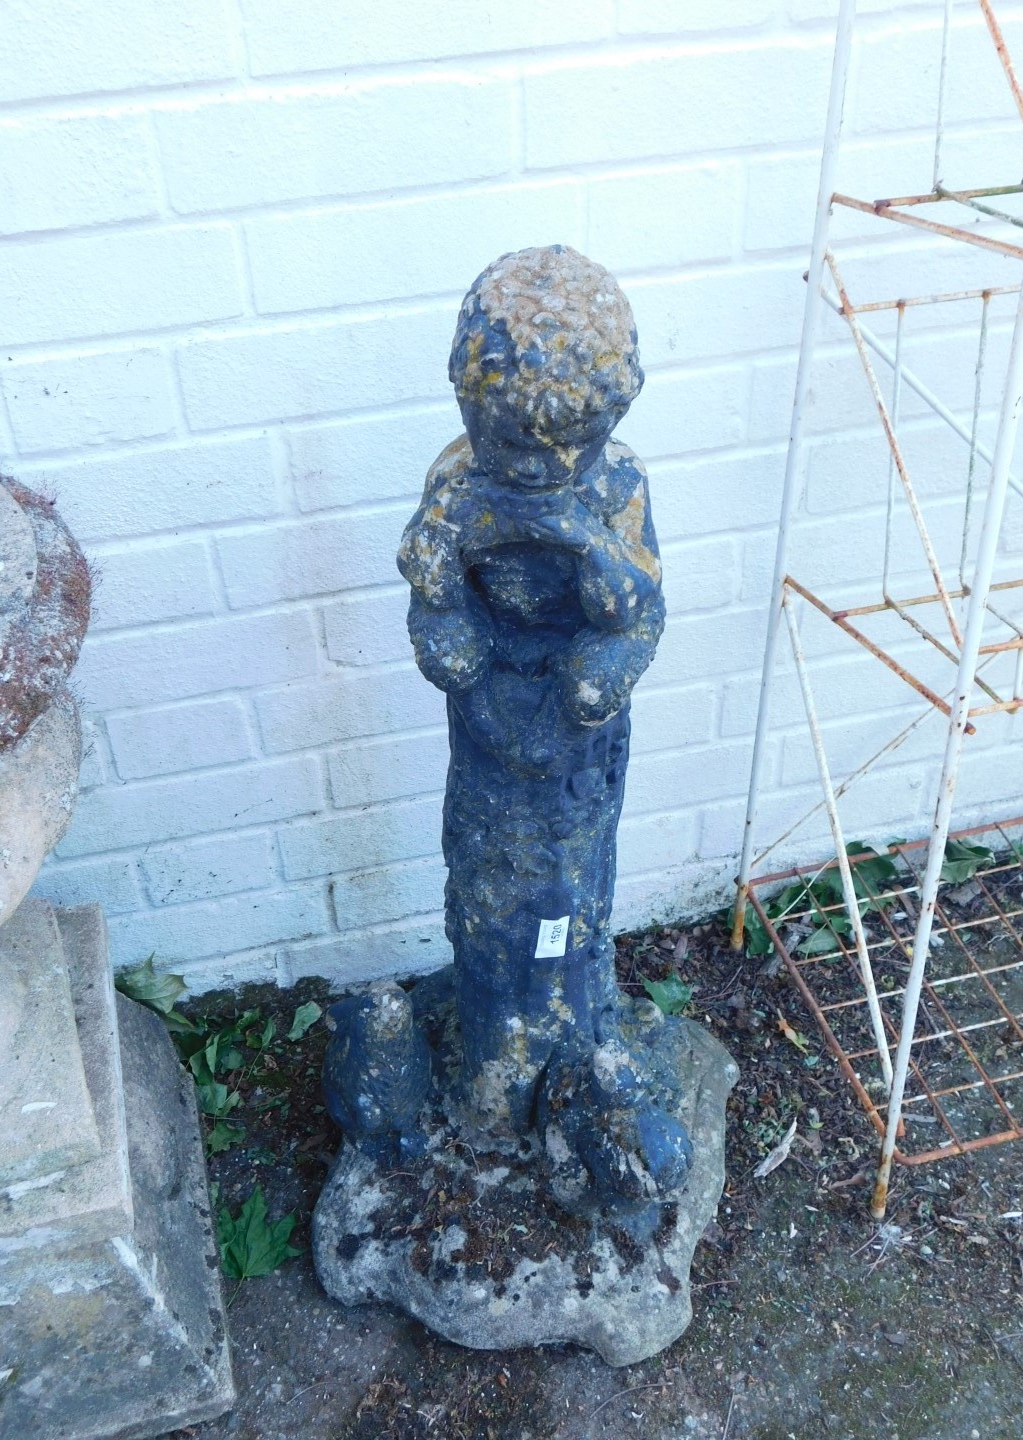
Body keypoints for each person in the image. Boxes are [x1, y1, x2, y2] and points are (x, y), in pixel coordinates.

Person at [398, 246, 670, 1147]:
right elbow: (433, 598)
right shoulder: (459, 484)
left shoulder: (615, 488)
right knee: (485, 888)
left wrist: (582, 542)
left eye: (565, 447)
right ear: (469, 408)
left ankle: (575, 1028)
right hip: (486, 723)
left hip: (577, 736)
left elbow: (634, 610)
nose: (531, 470)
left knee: (571, 889)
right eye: (507, 442)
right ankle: (495, 1049)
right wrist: (449, 614)